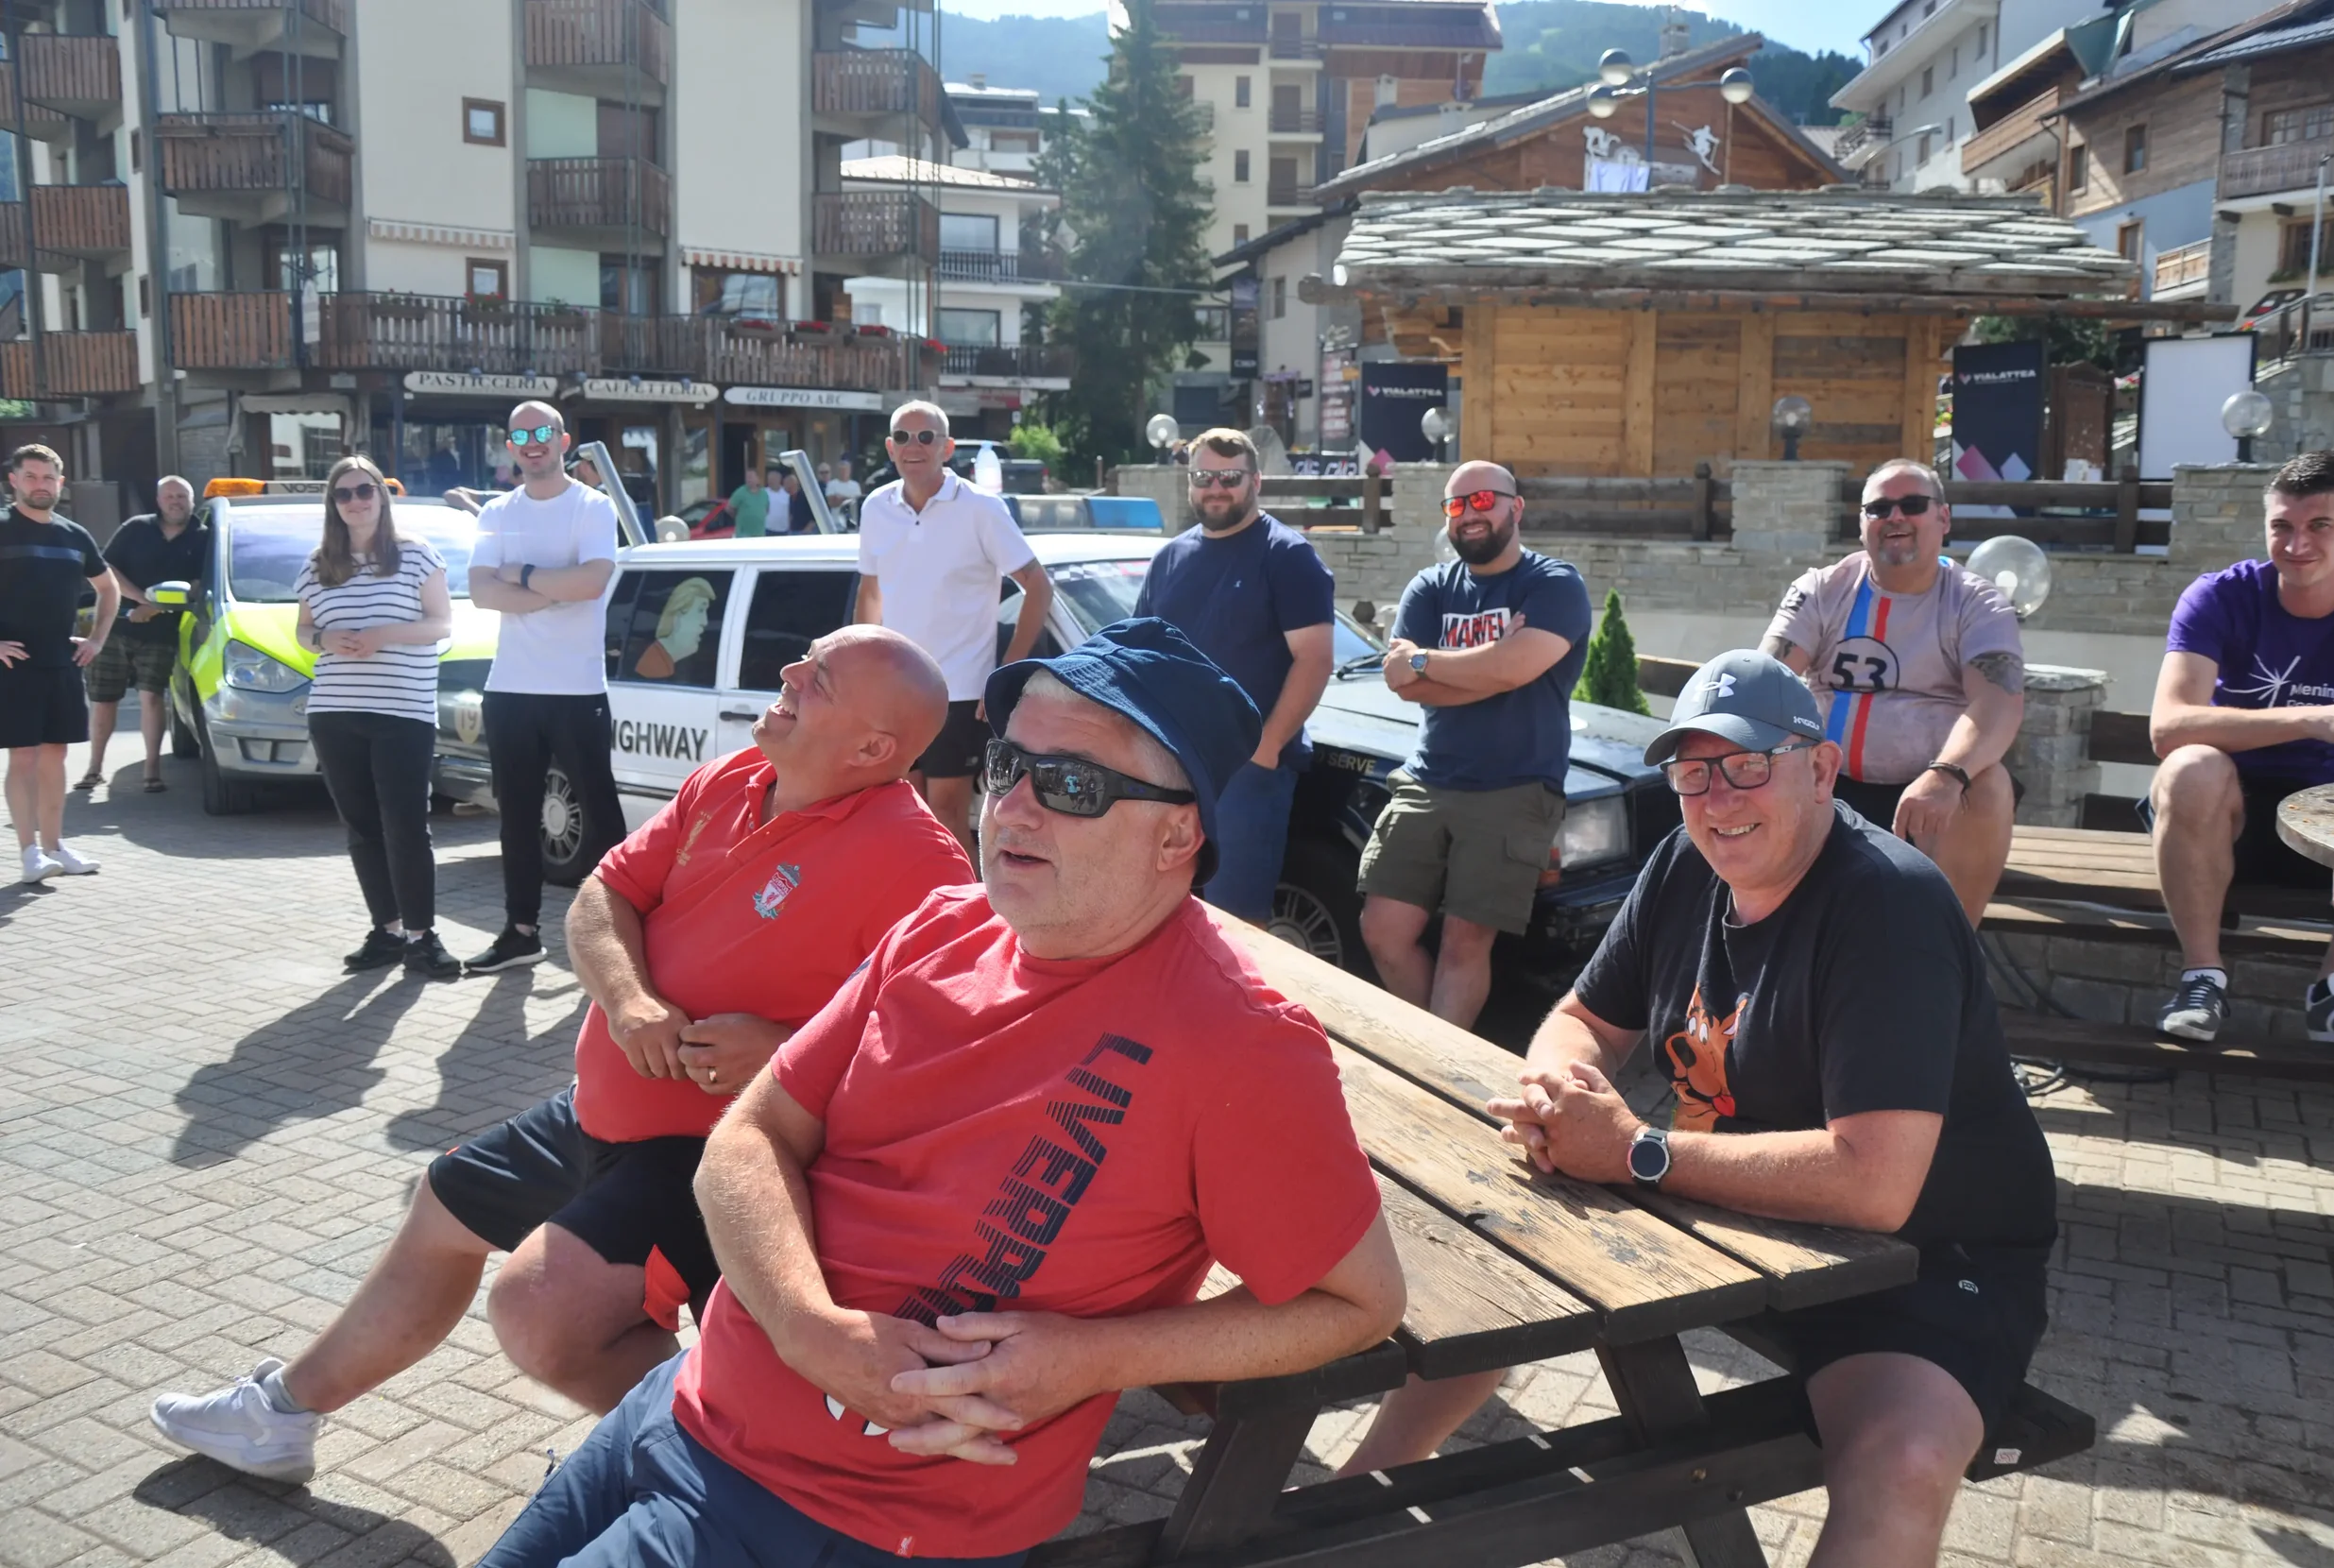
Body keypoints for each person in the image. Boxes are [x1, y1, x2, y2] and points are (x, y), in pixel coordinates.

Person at [473, 617, 1404, 1568]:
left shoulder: (1239, 1044)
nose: (1013, 809)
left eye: (1073, 785)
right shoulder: (942, 925)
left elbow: (1357, 1303)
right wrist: (809, 1330)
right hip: (680, 1403)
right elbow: (747, 1138)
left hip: (844, 1516)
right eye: (1007, 765)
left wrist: (1098, 1358)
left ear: (1178, 834)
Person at [149, 626, 973, 1483]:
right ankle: (279, 1417)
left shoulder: (919, 864)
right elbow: (603, 895)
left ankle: (718, 1477)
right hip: (599, 1112)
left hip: (709, 1149)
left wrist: (785, 1052)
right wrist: (630, 1001)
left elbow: (948, 1057)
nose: (790, 670)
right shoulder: (733, 778)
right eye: (807, 657)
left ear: (875, 746)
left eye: (821, 677)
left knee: (544, 1313)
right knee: (441, 1209)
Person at [1348, 650, 2056, 1568]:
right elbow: (1579, 1022)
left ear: (1820, 768)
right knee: (1504, 1261)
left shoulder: (1887, 905)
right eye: (1693, 771)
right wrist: (1561, 1094)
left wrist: (1635, 1152)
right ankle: (1341, 1508)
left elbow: (1876, 1182)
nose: (1718, 797)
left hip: (1923, 1256)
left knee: (1904, 1459)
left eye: (1747, 764)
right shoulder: (1687, 860)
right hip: (1721, 1214)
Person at [1358, 461, 1591, 1028]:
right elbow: (1402, 684)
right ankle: (1429, 1049)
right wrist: (1490, 669)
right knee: (1382, 929)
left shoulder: (1553, 584)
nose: (1469, 513)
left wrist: (1426, 661)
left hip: (1513, 787)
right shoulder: (1430, 587)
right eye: (1456, 505)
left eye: (1483, 498)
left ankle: (1438, 1073)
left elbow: (1513, 667)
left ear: (1516, 507)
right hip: (1426, 779)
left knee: (1466, 943)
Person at [2147, 451, 2334, 1047]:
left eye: (2319, 526)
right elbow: (2167, 728)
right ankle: (2202, 977)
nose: (2297, 545)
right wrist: (2314, 719)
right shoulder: (2218, 597)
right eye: (2282, 527)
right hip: (2223, 814)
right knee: (2191, 765)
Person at [1761, 459, 2025, 925]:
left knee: (1988, 785)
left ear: (1943, 518)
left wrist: (1946, 775)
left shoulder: (1977, 602)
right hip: (1826, 782)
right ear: (1862, 524)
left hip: (1930, 788)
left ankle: (1947, 954)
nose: (1895, 517)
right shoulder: (1821, 589)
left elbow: (1998, 703)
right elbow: (1767, 682)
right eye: (1879, 508)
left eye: (1912, 505)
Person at [1133, 427, 1334, 923]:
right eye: (1204, 476)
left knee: (1236, 921)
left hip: (1247, 773)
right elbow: (1138, 654)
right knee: (1159, 908)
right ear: (1189, 482)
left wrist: (1265, 749)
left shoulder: (1287, 556)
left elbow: (1315, 659)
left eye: (1229, 477)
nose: (1215, 488)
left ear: (1256, 481)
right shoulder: (1169, 559)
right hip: (1169, 767)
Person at [464, 402, 629, 975]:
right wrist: (557, 590)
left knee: (602, 818)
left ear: (562, 440)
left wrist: (526, 576)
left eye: (542, 433)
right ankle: (520, 931)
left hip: (577, 688)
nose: (532, 444)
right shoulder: (496, 510)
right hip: (510, 688)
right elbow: (482, 591)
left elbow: (593, 580)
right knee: (517, 817)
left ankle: (620, 936)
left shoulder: (592, 505)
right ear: (509, 446)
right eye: (520, 435)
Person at [855, 399, 1053, 861]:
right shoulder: (875, 507)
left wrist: (1005, 675)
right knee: (904, 814)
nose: (914, 446)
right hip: (894, 691)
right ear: (890, 447)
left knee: (946, 816)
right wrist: (858, 676)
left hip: (959, 694)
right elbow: (870, 595)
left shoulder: (981, 507)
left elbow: (1038, 587)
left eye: (926, 437)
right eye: (903, 437)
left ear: (947, 447)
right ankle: (920, 917)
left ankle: (966, 921)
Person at [293, 455, 463, 980]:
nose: (355, 501)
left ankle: (422, 936)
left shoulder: (414, 555)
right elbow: (302, 630)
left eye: (364, 490)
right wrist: (324, 639)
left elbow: (441, 623)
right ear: (333, 505)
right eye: (343, 494)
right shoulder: (319, 562)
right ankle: (386, 931)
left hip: (402, 711)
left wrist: (383, 635)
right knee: (362, 827)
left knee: (406, 826)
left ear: (381, 497)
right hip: (335, 712)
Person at [0, 444, 115, 882]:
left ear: (60, 484)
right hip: (13, 666)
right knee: (24, 758)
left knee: (56, 755)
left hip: (61, 662)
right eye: (31, 477)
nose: (40, 485)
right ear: (14, 480)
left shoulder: (74, 535)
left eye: (48, 478)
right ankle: (29, 853)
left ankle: (55, 846)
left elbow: (108, 589)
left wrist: (97, 639)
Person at [81, 475, 209, 793]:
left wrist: (154, 609)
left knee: (152, 698)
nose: (175, 501)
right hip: (115, 625)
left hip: (162, 634)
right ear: (158, 500)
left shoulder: (203, 536)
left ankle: (152, 772)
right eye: (169, 496)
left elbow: (197, 585)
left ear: (191, 500)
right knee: (103, 700)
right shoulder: (136, 528)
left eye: (181, 496)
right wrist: (142, 599)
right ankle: (94, 769)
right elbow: (105, 568)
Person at [730, 460, 771, 540]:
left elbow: (767, 509)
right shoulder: (740, 492)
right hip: (743, 535)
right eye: (747, 477)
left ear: (758, 478)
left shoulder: (764, 494)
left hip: (760, 534)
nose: (748, 479)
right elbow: (730, 508)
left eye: (751, 477)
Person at [826, 458, 862, 529]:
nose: (843, 472)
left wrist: (841, 498)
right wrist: (850, 498)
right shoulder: (832, 484)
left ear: (849, 471)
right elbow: (832, 503)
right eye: (841, 470)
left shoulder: (855, 485)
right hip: (836, 523)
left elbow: (857, 503)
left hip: (853, 523)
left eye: (845, 470)